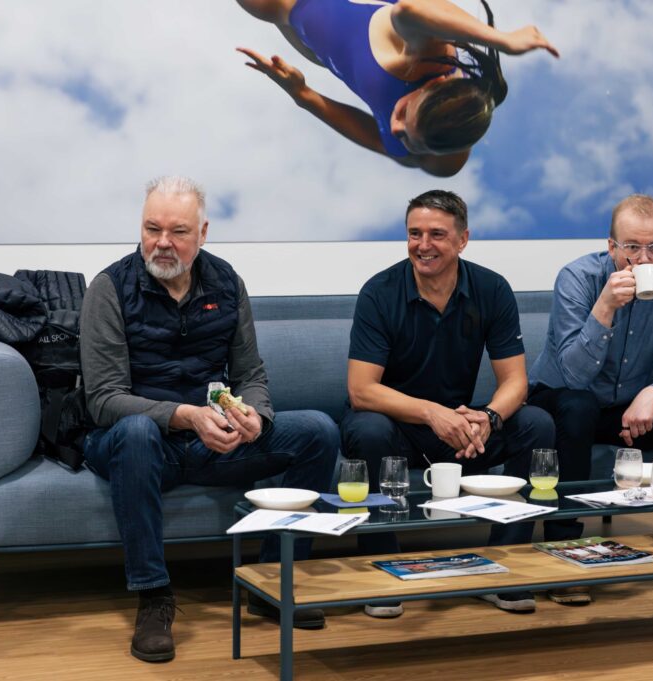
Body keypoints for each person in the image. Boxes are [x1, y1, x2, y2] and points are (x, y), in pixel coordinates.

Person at [80, 176, 338, 662]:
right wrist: (184, 416)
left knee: (319, 431)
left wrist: (255, 416)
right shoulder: (109, 288)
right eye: (151, 228)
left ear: (202, 233)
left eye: (177, 231)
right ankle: (153, 597)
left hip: (208, 443)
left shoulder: (226, 281)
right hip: (134, 443)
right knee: (136, 431)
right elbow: (104, 400)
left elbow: (250, 373)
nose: (162, 242)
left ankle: (272, 584)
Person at [341, 189, 555, 616]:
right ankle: (381, 573)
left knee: (537, 423)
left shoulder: (492, 289)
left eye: (436, 234)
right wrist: (431, 413)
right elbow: (361, 390)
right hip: (397, 426)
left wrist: (489, 417)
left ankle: (504, 568)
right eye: (414, 233)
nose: (423, 245)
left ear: (463, 239)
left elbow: (516, 381)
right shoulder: (379, 292)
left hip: (460, 429)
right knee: (368, 428)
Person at [527, 194, 653, 597]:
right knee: (578, 405)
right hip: (561, 401)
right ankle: (565, 547)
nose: (643, 260)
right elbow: (573, 374)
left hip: (628, 406)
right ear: (611, 247)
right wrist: (604, 308)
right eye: (632, 248)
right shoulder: (577, 278)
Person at [234, 0, 558, 177]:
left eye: (404, 137)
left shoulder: (443, 158)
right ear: (435, 85)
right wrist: (502, 40)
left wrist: (304, 95)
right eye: (403, 113)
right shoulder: (425, 59)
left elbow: (377, 139)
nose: (394, 127)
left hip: (294, 16)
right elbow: (410, 10)